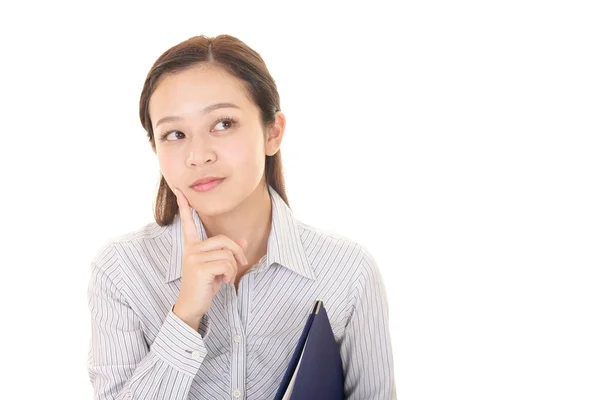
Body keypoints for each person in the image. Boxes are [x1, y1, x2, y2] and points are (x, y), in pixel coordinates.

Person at [87, 34, 397, 400]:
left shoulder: (349, 271)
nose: (198, 155)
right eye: (174, 133)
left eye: (223, 124)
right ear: (155, 147)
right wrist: (185, 316)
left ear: (273, 132)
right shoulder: (122, 270)